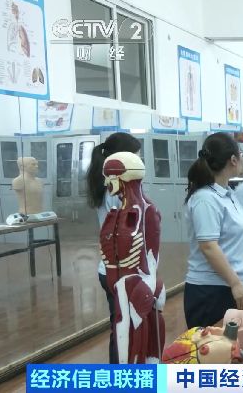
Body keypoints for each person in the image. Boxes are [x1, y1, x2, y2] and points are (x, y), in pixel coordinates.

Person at [183, 132, 243, 328]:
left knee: (235, 344)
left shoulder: (228, 194)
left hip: (233, 285)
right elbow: (209, 247)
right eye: (242, 154)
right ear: (233, 160)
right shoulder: (205, 199)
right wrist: (235, 283)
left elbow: (240, 239)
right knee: (214, 345)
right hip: (212, 291)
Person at [86, 132, 142, 364]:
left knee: (123, 326)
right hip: (119, 270)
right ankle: (119, 377)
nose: (140, 163)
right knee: (123, 329)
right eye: (136, 157)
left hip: (114, 268)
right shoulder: (116, 189)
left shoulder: (109, 184)